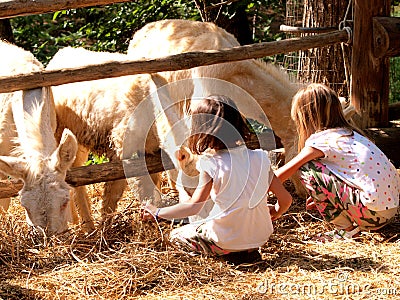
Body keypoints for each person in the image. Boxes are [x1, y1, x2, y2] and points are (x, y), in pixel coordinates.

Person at [142, 95, 292, 263]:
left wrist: (158, 212)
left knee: (176, 236)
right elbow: (286, 199)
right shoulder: (260, 158)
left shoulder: (211, 164)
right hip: (259, 239)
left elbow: (193, 207)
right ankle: (246, 251)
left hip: (225, 241)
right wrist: (275, 212)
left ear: (202, 130)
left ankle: (225, 253)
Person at [275, 83, 400, 241]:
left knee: (306, 168)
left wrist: (254, 188)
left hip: (372, 214)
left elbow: (284, 173)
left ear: (307, 117)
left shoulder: (321, 140)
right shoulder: (351, 135)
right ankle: (352, 222)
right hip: (388, 211)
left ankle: (346, 229)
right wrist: (327, 196)